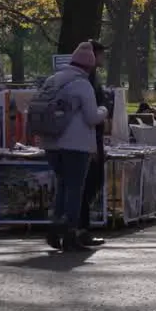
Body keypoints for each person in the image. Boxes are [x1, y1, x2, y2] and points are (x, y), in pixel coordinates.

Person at [40, 41, 110, 251]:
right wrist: (104, 111)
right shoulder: (82, 84)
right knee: (75, 189)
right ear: (88, 66)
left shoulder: (53, 80)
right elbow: (91, 117)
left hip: (51, 143)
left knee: (62, 185)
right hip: (76, 146)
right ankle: (70, 233)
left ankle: (55, 226)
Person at [77, 39, 111, 247]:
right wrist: (104, 110)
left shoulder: (91, 78)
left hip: (93, 138)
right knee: (88, 184)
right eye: (101, 55)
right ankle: (81, 228)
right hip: (90, 139)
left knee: (88, 185)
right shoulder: (87, 80)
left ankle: (79, 227)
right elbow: (92, 113)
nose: (103, 59)